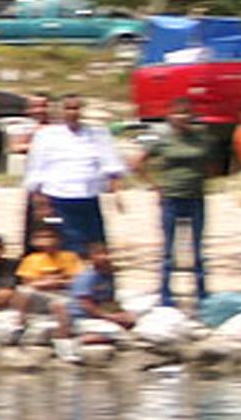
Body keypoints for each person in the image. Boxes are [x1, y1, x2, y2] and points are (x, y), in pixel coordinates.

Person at [22, 97, 124, 257]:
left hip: (88, 197)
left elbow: (110, 162)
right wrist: (40, 203)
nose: (72, 113)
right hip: (58, 197)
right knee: (65, 246)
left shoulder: (97, 133)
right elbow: (35, 169)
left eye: (76, 108)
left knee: (95, 246)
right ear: (61, 112)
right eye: (68, 109)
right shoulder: (46, 135)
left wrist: (117, 192)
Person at [139, 110, 215, 305]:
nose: (182, 119)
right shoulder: (164, 141)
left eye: (185, 114)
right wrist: (154, 185)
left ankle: (201, 292)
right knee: (168, 250)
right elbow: (139, 162)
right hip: (171, 199)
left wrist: (204, 178)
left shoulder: (201, 140)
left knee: (198, 249)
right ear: (170, 118)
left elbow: (212, 163)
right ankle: (165, 293)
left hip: (196, 198)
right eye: (177, 115)